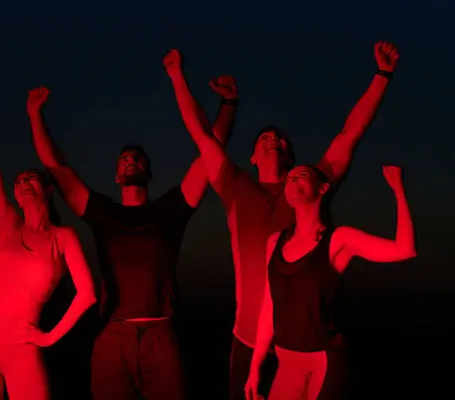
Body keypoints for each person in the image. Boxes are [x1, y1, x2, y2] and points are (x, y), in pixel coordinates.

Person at [164, 42, 400, 399]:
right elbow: (200, 133)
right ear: (253, 156)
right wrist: (177, 76)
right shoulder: (235, 185)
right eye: (265, 138)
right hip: (247, 341)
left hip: (308, 346)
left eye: (280, 138)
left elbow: (350, 134)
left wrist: (382, 75)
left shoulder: (309, 187)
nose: (273, 139)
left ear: (291, 156)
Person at [26, 69, 238, 400]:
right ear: (115, 175)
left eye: (137, 159)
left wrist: (228, 104)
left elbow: (209, 156)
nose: (130, 161)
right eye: (124, 159)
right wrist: (35, 114)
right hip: (112, 337)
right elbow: (56, 169)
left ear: (148, 171)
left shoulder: (170, 209)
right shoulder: (103, 213)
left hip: (161, 336)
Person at [0, 78, 96, 400]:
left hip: (22, 346)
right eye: (18, 182)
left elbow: (88, 295)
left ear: (48, 190)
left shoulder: (64, 237)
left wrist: (50, 337)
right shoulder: (8, 225)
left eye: (30, 178)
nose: (22, 183)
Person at [244, 164, 416, 399]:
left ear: (323, 188)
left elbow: (404, 249)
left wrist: (398, 189)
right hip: (287, 364)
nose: (293, 180)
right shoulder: (275, 242)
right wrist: (255, 368)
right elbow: (268, 307)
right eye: (289, 179)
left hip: (323, 362)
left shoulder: (338, 239)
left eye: (302, 176)